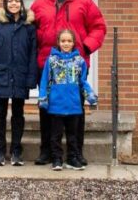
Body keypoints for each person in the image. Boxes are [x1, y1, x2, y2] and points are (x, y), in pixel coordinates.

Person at [31, 0, 107, 167]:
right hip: (48, 64)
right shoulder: (39, 4)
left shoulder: (85, 2)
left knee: (76, 109)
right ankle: (47, 150)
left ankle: (76, 153)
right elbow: (32, 32)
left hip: (76, 64)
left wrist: (86, 48)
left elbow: (98, 27)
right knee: (46, 107)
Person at [0, 0, 37, 166]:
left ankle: (16, 152)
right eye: (10, 1)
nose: (13, 4)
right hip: (1, 76)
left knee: (18, 114)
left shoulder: (29, 27)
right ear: (5, 4)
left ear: (21, 4)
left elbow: (32, 54)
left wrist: (31, 78)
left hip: (20, 76)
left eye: (17, 1)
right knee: (0, 114)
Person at [38, 28, 97, 171]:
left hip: (74, 105)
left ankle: (72, 159)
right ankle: (57, 159)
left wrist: (90, 94)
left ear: (73, 43)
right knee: (55, 135)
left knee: (72, 135)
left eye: (69, 41)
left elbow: (83, 81)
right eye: (63, 41)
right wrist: (43, 97)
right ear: (58, 42)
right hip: (56, 105)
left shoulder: (79, 61)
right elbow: (45, 79)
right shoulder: (51, 60)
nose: (66, 43)